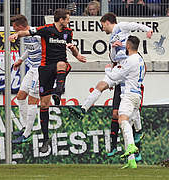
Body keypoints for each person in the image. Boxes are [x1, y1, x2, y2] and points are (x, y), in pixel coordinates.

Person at [72, 12, 152, 160]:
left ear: (107, 22)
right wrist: (114, 48)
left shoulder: (121, 27)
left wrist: (148, 29)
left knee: (131, 114)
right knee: (102, 85)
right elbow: (115, 57)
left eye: (103, 25)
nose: (103, 29)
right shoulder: (112, 39)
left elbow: (134, 25)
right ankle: (83, 109)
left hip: (128, 70)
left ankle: (137, 144)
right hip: (120, 69)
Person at [9, 8, 86, 153]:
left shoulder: (68, 32)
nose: (69, 21)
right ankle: (40, 135)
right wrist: (17, 35)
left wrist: (77, 55)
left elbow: (71, 46)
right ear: (60, 19)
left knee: (61, 65)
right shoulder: (45, 30)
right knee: (41, 104)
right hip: (42, 69)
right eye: (67, 19)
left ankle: (58, 92)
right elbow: (28, 36)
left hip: (54, 66)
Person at [104, 35, 145, 169]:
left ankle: (134, 141)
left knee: (122, 120)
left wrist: (108, 70)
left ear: (128, 46)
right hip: (137, 95)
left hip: (128, 95)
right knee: (129, 122)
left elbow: (116, 76)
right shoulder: (140, 59)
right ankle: (131, 161)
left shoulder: (130, 60)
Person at [9, 14, 41, 144]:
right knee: (20, 96)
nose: (15, 31)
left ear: (21, 27)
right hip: (32, 69)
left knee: (33, 100)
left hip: (40, 70)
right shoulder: (26, 37)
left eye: (15, 28)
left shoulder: (37, 35)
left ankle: (27, 133)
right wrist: (21, 60)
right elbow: (29, 50)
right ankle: (24, 127)